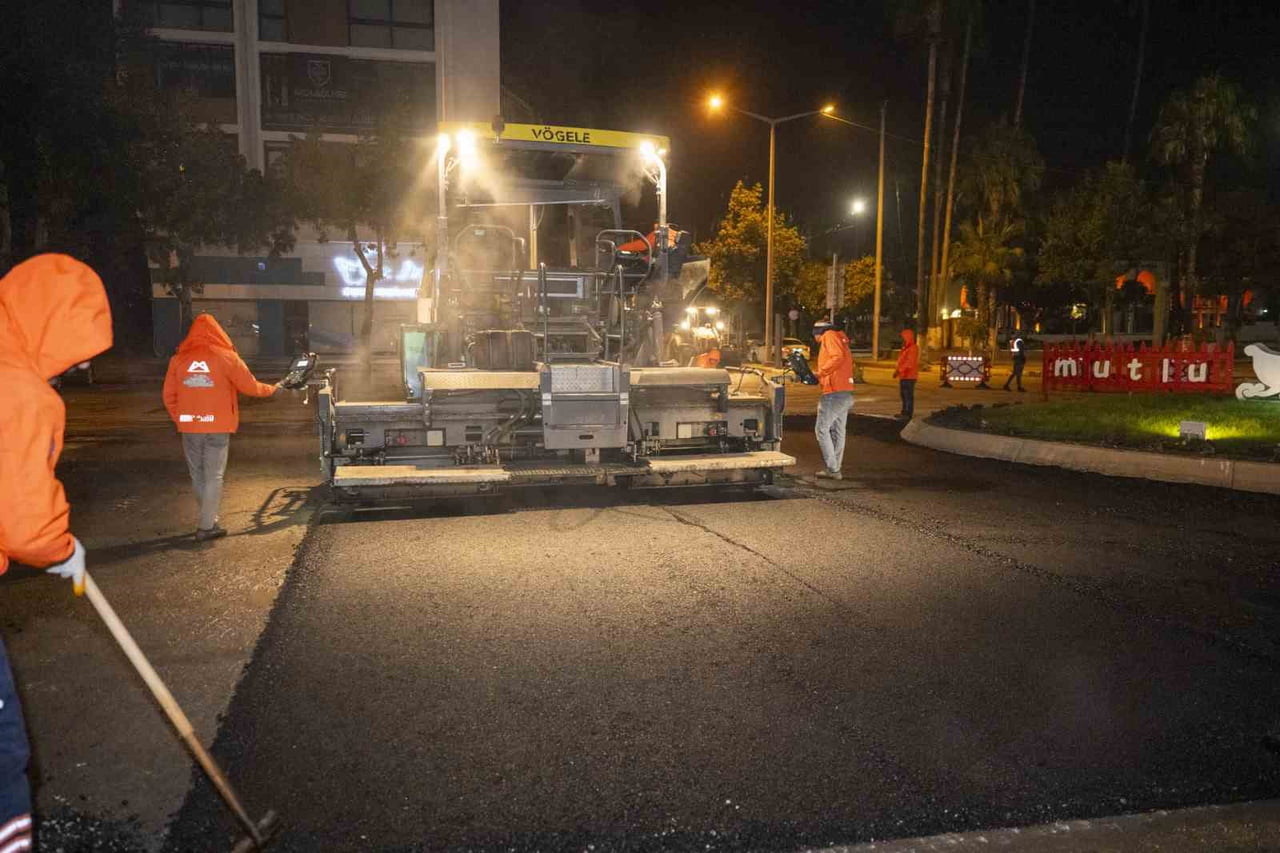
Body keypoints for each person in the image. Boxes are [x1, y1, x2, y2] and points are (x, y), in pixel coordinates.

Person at [0, 254, 115, 852]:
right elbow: (23, 520)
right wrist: (61, 548)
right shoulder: (21, 391)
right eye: (81, 347)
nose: (85, 363)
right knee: (2, 753)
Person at [163, 314, 281, 542]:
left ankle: (209, 518)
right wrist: (273, 389)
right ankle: (207, 526)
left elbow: (168, 396)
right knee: (214, 476)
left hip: (190, 427)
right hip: (217, 426)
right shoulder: (227, 357)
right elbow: (251, 387)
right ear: (219, 332)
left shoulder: (178, 360)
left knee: (197, 474)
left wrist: (182, 419)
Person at [812, 318, 854, 480]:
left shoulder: (829, 335)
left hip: (834, 393)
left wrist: (820, 372)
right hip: (845, 392)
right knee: (838, 431)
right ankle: (835, 467)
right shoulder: (839, 337)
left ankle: (833, 469)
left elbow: (837, 357)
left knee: (821, 429)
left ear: (818, 332)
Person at [893, 327, 919, 419]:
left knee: (908, 395)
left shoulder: (913, 348)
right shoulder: (906, 348)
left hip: (909, 376)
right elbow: (902, 361)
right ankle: (904, 412)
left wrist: (899, 370)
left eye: (903, 337)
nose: (902, 339)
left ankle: (908, 414)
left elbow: (909, 363)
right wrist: (897, 371)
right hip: (904, 376)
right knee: (904, 395)